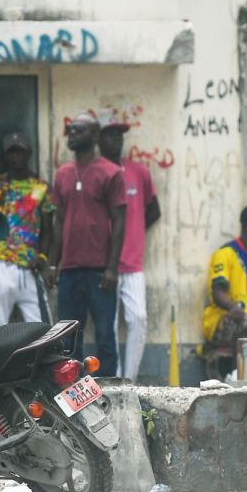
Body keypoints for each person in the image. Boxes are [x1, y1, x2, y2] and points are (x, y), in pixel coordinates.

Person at [49, 113, 126, 377]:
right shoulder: (62, 174)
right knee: (68, 338)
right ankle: (72, 391)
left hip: (100, 271)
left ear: (94, 136)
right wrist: (53, 262)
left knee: (105, 334)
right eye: (70, 130)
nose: (71, 134)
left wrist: (113, 268)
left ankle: (110, 391)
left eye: (78, 130)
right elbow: (58, 220)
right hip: (69, 270)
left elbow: (119, 221)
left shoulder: (111, 173)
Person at [97, 113, 161, 381]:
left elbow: (154, 211)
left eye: (120, 135)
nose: (117, 140)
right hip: (102, 265)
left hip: (133, 264)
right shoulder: (93, 172)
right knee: (107, 327)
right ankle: (112, 380)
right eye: (111, 135)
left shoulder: (138, 172)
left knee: (138, 319)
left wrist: (131, 232)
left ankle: (130, 381)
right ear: (99, 139)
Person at [0, 132, 53, 329]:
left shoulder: (41, 188)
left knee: (41, 328)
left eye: (19, 152)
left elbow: (48, 228)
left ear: (28, 153)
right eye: (10, 153)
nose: (15, 157)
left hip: (31, 264)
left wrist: (44, 258)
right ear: (4, 156)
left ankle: (42, 361)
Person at [202, 203, 247, 380]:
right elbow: (218, 292)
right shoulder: (226, 253)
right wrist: (233, 307)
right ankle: (238, 377)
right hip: (226, 318)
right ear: (245, 227)